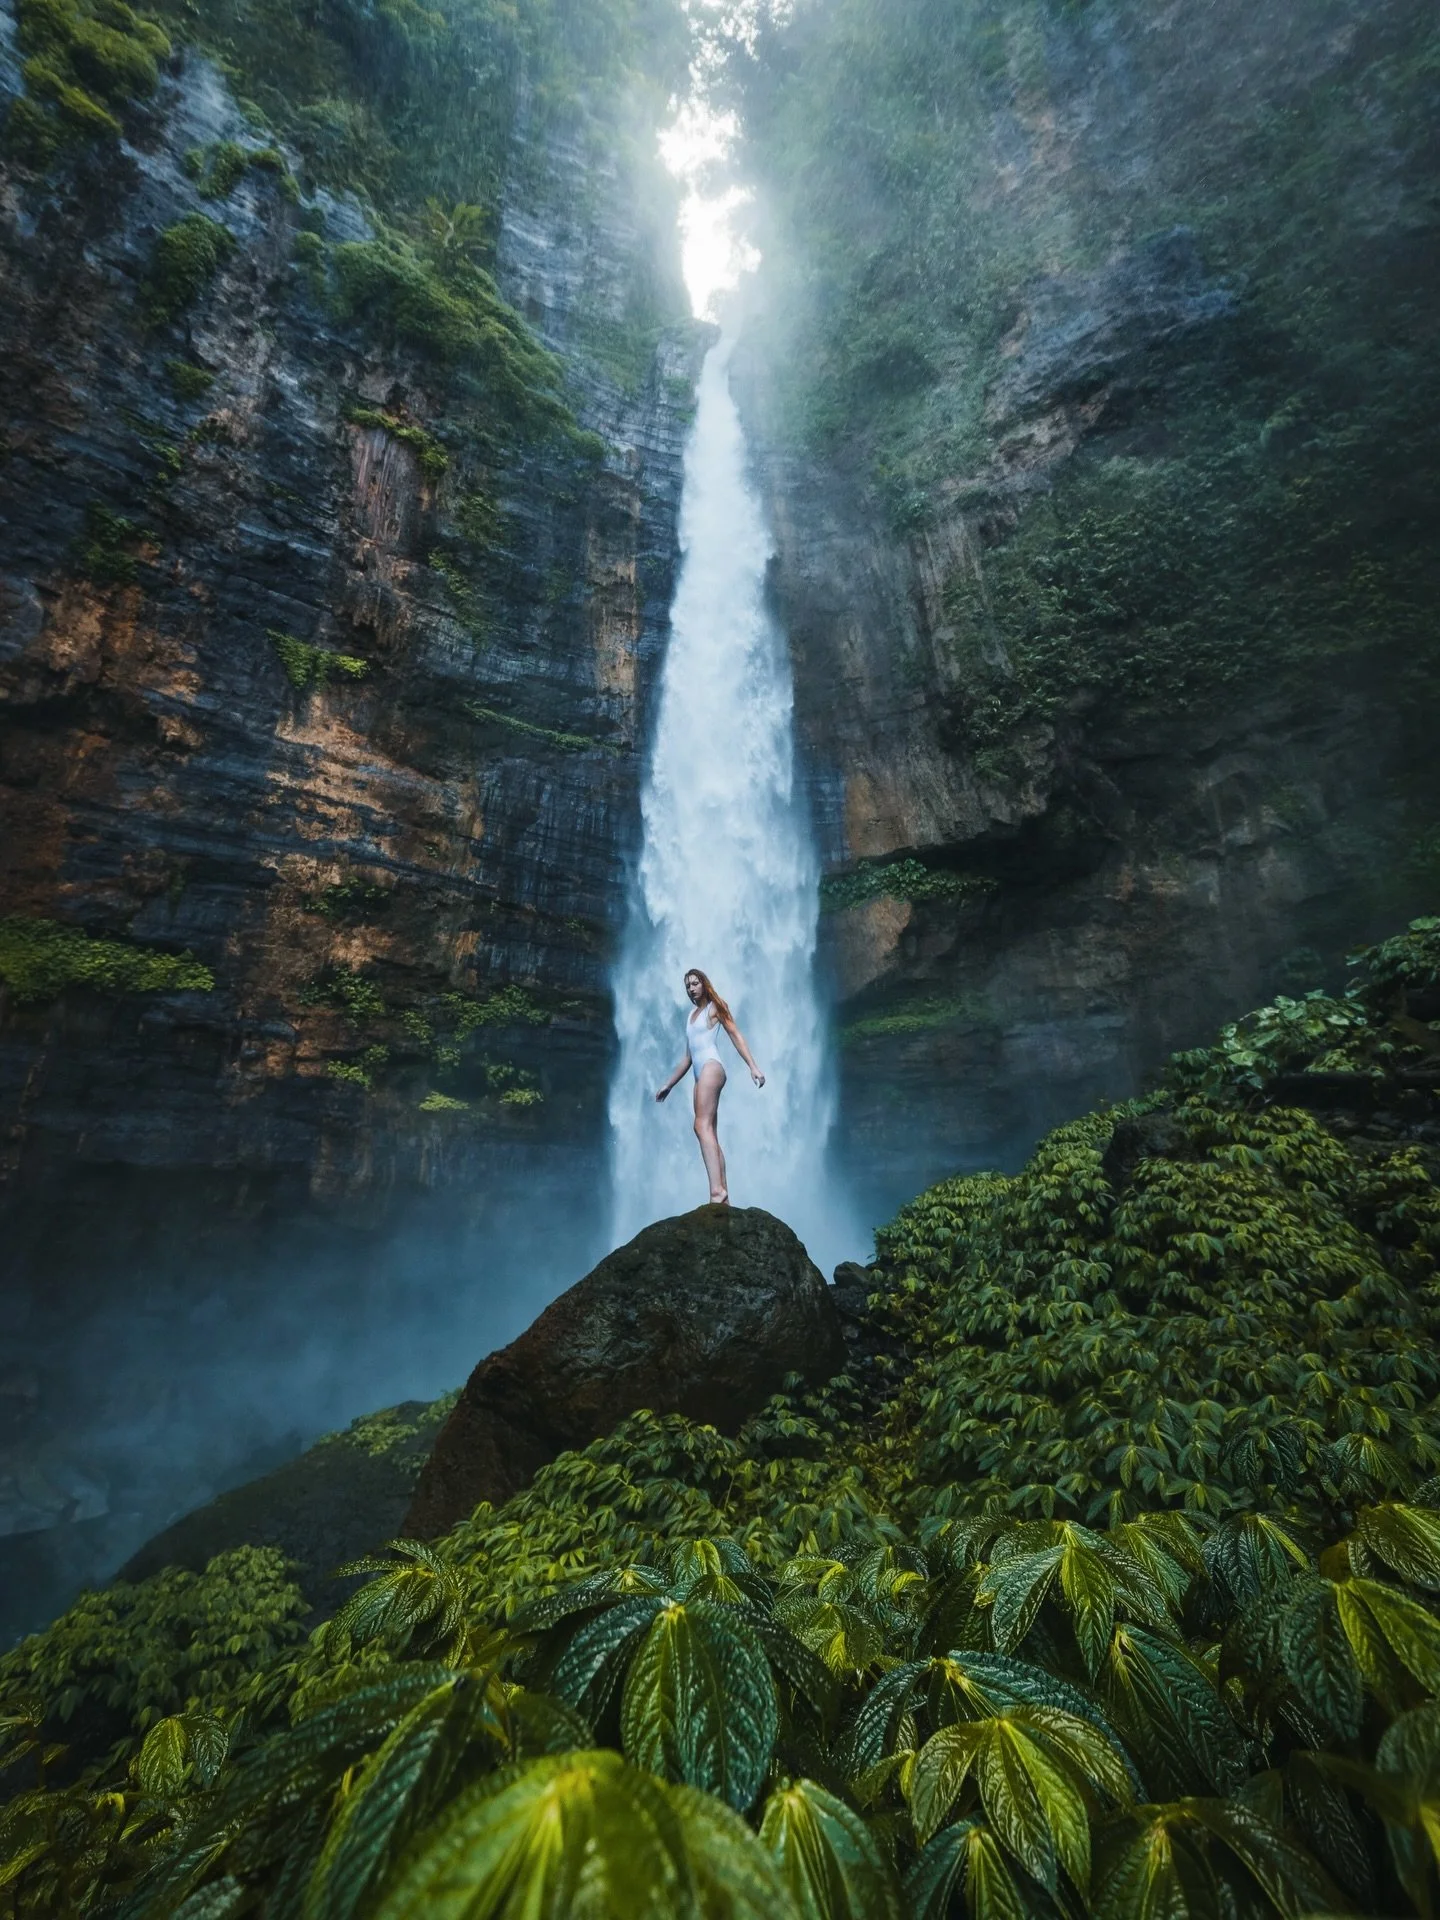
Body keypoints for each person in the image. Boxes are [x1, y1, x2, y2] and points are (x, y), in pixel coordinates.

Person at [654, 968, 765, 1205]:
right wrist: (669, 1085)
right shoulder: (691, 1016)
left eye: (695, 983)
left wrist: (753, 1067)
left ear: (704, 984)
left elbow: (735, 1034)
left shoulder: (715, 1006)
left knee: (700, 1125)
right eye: (688, 986)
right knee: (709, 1132)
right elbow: (688, 1057)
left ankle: (716, 1192)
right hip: (697, 1072)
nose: (691, 988)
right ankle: (722, 1193)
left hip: (712, 1067)